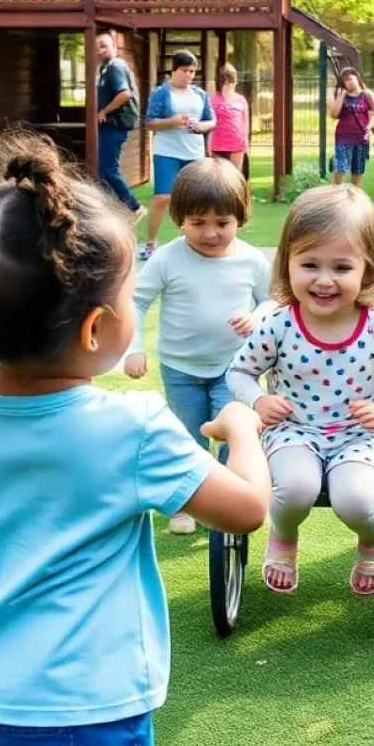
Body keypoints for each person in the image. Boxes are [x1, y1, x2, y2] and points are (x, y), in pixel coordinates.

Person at [0, 132, 271, 746]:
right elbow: (244, 510)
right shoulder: (134, 428)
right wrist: (242, 431)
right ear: (96, 330)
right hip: (74, 717)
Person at [227, 185, 374, 596]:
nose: (323, 280)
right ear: (287, 264)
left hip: (359, 436)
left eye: (341, 267)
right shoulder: (279, 323)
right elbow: (240, 373)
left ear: (367, 269)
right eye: (309, 264)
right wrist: (258, 400)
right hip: (293, 430)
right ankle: (283, 536)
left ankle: (372, 540)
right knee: (294, 489)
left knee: (354, 500)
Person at [124, 158, 271, 536]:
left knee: (233, 438)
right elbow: (136, 303)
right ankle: (185, 504)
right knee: (188, 437)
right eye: (197, 223)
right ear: (179, 220)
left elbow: (275, 300)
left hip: (235, 370)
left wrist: (258, 316)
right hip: (181, 369)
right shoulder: (167, 257)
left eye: (222, 223)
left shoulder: (252, 260)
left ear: (240, 218)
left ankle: (230, 502)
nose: (210, 233)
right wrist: (134, 347)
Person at [142, 50, 216, 261]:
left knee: (198, 200)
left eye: (193, 71)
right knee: (162, 198)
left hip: (194, 152)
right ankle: (150, 243)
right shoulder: (162, 93)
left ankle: (196, 243)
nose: (190, 75)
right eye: (185, 71)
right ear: (174, 70)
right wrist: (173, 121)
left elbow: (211, 120)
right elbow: (149, 122)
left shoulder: (200, 95)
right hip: (167, 151)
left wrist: (200, 126)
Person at [95, 31, 145, 224]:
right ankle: (112, 211)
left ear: (114, 47)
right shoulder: (105, 68)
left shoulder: (116, 65)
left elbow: (125, 94)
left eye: (104, 45)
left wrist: (104, 111)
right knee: (103, 171)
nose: (100, 50)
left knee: (108, 171)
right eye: (97, 47)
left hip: (114, 124)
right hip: (109, 125)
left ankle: (134, 207)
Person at [328, 67, 374, 188]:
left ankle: (356, 197)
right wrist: (341, 95)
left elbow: (373, 114)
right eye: (345, 79)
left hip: (361, 138)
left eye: (350, 77)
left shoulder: (367, 96)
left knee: (357, 170)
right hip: (343, 138)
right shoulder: (340, 96)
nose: (348, 81)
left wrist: (369, 128)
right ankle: (334, 194)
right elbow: (333, 114)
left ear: (357, 78)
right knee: (340, 168)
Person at [208, 63, 250, 173]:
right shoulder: (212, 100)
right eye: (225, 81)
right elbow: (210, 124)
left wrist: (245, 145)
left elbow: (245, 125)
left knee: (236, 177)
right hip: (217, 146)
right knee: (218, 178)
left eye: (231, 81)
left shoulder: (240, 100)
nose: (228, 85)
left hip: (236, 145)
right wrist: (209, 146)